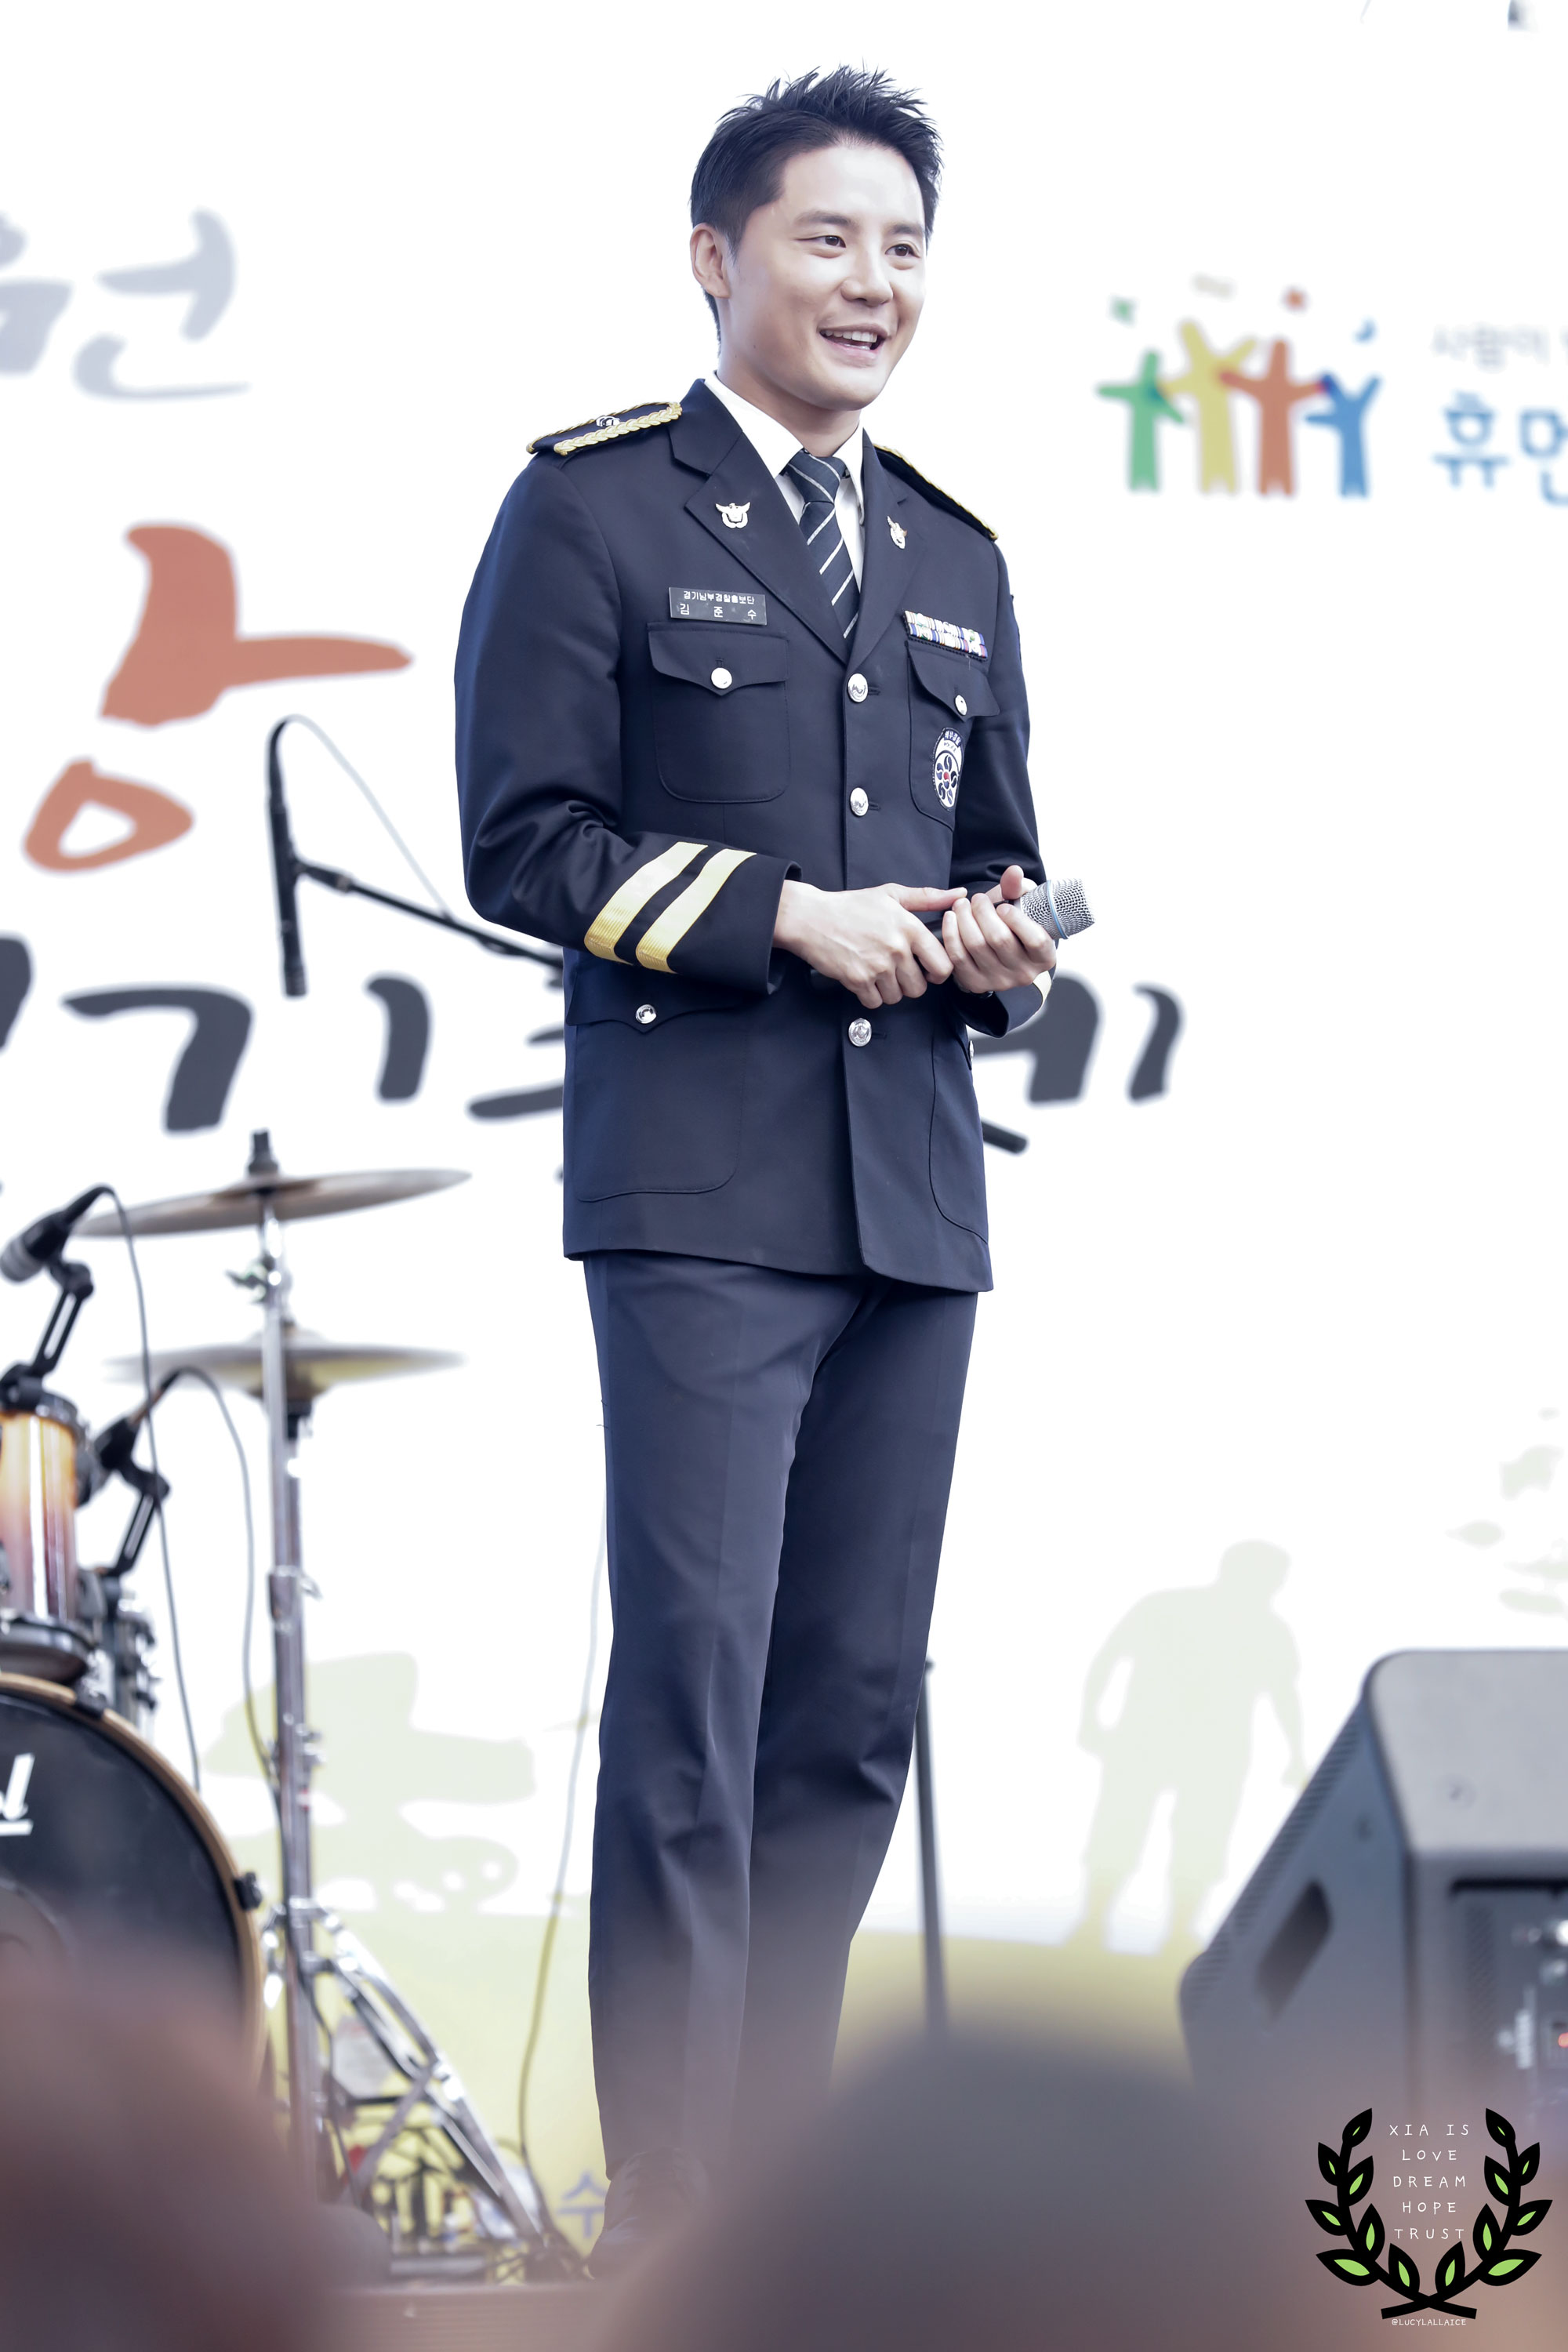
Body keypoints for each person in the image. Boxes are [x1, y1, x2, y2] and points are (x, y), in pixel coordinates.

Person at [456, 67, 1055, 2274]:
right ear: (718, 259)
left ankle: (791, 2216)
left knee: (852, 1719)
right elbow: (526, 842)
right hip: (703, 1194)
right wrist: (782, 915)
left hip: (914, 1196)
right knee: (695, 1709)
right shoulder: (595, 508)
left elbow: (1001, 858)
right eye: (829, 240)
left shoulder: (959, 556)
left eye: (903, 248)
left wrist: (998, 949)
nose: (872, 283)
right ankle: (676, 2216)